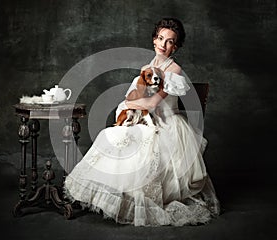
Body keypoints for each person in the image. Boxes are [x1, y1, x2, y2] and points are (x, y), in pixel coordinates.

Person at [64, 18, 220, 226]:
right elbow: (131, 99)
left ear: (176, 46)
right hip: (146, 120)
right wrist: (133, 103)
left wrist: (134, 103)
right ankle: (116, 197)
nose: (163, 45)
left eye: (170, 41)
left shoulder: (174, 71)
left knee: (140, 140)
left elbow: (152, 102)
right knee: (111, 135)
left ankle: (141, 200)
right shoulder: (147, 67)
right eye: (160, 38)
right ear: (154, 39)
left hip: (167, 124)